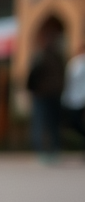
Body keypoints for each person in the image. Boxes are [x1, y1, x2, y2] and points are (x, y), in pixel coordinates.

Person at [27, 27, 66, 162]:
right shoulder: (41, 56)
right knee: (41, 123)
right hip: (42, 95)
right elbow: (32, 76)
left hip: (53, 94)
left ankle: (54, 150)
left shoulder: (56, 56)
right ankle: (41, 151)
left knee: (52, 123)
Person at [63, 41, 85, 152]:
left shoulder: (77, 62)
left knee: (76, 122)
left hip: (79, 98)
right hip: (75, 98)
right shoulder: (75, 62)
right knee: (75, 122)